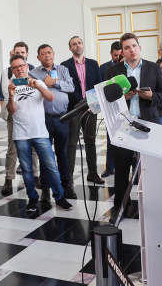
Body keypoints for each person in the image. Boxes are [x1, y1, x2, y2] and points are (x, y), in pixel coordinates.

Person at [105, 33, 162, 216]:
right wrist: (121, 98)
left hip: (147, 123)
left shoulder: (154, 68)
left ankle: (149, 203)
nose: (131, 50)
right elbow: (107, 99)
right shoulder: (112, 71)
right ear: (122, 51)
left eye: (134, 46)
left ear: (139, 47)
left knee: (147, 167)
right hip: (122, 124)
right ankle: (121, 205)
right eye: (126, 47)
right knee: (122, 168)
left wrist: (151, 97)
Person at [6, 54, 73, 213]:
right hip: (21, 135)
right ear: (12, 70)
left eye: (21, 65)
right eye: (15, 67)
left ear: (27, 66)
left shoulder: (38, 82)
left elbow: (50, 97)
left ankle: (59, 197)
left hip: (40, 133)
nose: (19, 69)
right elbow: (12, 110)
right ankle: (32, 198)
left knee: (51, 166)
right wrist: (10, 95)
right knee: (27, 169)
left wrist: (38, 86)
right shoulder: (10, 86)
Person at [30, 44, 76, 201]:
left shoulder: (63, 70)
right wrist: (44, 84)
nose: (47, 55)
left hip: (63, 118)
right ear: (38, 57)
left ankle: (67, 186)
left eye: (49, 52)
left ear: (54, 54)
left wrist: (53, 83)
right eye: (43, 53)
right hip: (43, 119)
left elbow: (70, 87)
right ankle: (45, 188)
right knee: (45, 155)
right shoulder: (33, 73)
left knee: (63, 153)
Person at [60, 36, 104, 185]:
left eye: (79, 43)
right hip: (74, 108)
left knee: (90, 140)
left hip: (91, 107)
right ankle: (69, 177)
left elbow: (98, 84)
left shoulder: (93, 63)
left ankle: (93, 173)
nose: (77, 45)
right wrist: (80, 101)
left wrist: (91, 102)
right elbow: (66, 87)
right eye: (74, 44)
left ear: (83, 45)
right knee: (71, 142)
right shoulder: (64, 66)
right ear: (70, 48)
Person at [0, 42, 38, 195]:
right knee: (12, 147)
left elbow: (36, 90)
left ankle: (35, 176)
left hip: (30, 113)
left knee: (34, 147)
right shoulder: (7, 72)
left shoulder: (33, 70)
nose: (20, 53)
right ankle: (9, 178)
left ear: (27, 54)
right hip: (13, 113)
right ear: (12, 53)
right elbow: (6, 92)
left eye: (22, 52)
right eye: (17, 51)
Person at [98, 40, 123, 179]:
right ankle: (110, 167)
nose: (117, 58)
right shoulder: (104, 68)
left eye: (120, 54)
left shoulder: (125, 66)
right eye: (115, 55)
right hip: (110, 107)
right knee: (110, 138)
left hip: (125, 106)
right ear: (111, 54)